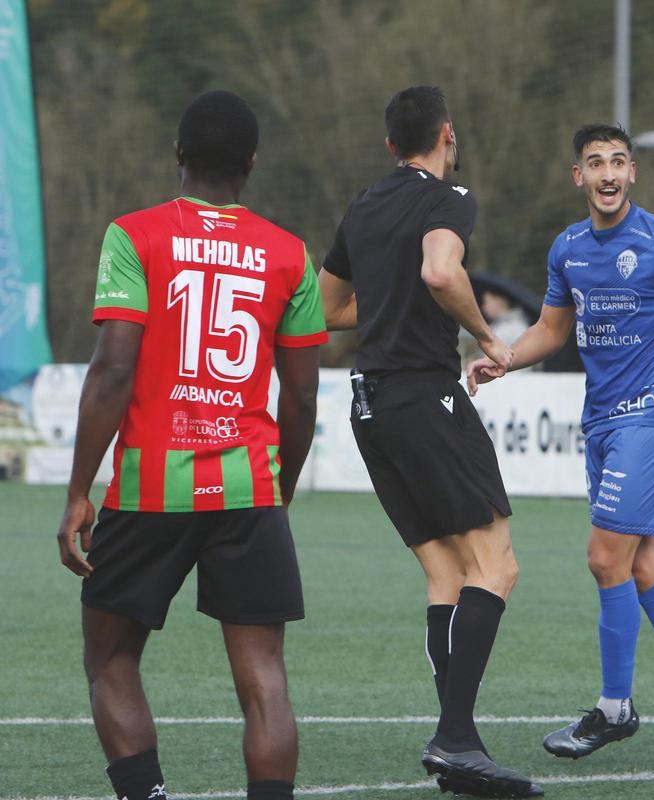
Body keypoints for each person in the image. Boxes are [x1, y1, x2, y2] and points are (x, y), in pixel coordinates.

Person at [55, 90, 324, 800]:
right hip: (248, 490)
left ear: (179, 156)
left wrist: (81, 489)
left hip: (150, 488)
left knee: (110, 658)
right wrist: (281, 488)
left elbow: (113, 368)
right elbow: (299, 398)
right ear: (251, 164)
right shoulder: (290, 254)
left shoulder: (133, 235)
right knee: (264, 677)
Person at [467, 123, 654, 767]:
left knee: (604, 558)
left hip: (653, 419)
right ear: (578, 176)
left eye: (618, 162)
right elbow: (550, 329)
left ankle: (614, 707)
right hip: (601, 425)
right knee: (639, 564)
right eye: (595, 162)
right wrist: (504, 360)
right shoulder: (567, 248)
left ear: (632, 174)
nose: (607, 173)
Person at [317, 86, 541, 798]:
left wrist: (390, 307)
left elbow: (327, 310)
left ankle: (459, 746)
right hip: (422, 393)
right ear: (447, 134)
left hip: (368, 405)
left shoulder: (364, 203)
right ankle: (454, 738)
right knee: (495, 566)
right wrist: (484, 334)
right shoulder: (448, 199)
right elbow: (441, 271)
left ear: (390, 145)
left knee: (447, 574)